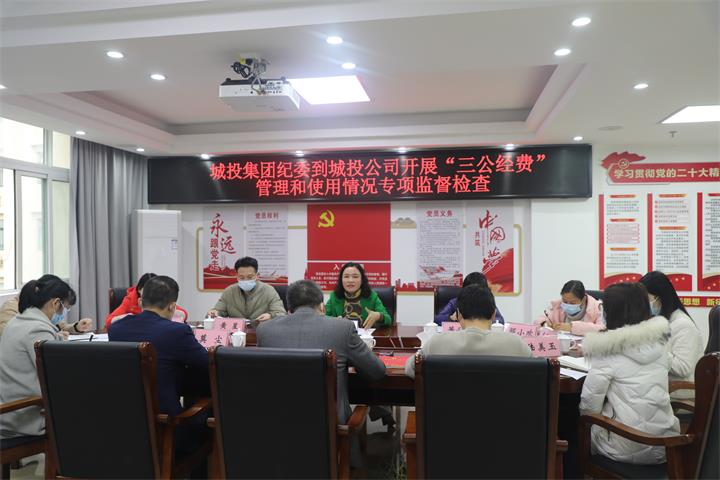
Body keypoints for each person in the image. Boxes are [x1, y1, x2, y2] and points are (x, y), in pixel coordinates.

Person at [257, 280, 386, 455]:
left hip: (278, 424)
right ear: (321, 306)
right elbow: (377, 371)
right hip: (329, 428)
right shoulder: (342, 328)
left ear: (289, 308)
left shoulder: (265, 330)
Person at [580, 282, 679, 464]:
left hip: (624, 445)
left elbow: (589, 406)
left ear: (612, 312)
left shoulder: (608, 349)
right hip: (665, 443)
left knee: (573, 426)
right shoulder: (660, 341)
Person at [0, 276, 77, 440]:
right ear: (55, 303)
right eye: (64, 308)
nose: (63, 314)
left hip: (10, 412)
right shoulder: (37, 329)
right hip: (26, 417)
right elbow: (56, 378)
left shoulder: (18, 321)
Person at [406, 284, 531, 378]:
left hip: (449, 406)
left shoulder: (436, 343)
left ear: (458, 314)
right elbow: (535, 374)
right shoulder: (516, 344)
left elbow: (410, 369)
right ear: (494, 314)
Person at [639, 271, 703, 389]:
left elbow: (683, 368)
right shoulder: (658, 321)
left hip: (679, 390)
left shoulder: (683, 325)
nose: (644, 304)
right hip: (661, 385)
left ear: (660, 297)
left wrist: (654, 351)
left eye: (647, 298)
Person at [0, 275, 92, 338]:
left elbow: (61, 326)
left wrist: (76, 327)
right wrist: (50, 337)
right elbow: (8, 334)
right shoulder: (11, 307)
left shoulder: (43, 309)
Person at [207, 257, 286, 322]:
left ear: (257, 275)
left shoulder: (269, 290)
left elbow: (281, 313)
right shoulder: (229, 291)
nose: (245, 280)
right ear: (237, 276)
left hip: (260, 332)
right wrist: (214, 313)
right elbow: (218, 311)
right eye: (241, 277)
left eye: (250, 277)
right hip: (236, 332)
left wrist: (270, 315)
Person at [104, 273, 188, 330]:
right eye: (147, 290)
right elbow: (109, 322)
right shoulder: (130, 300)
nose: (151, 294)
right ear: (139, 290)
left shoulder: (161, 298)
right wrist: (130, 318)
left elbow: (183, 313)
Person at [324, 262, 391, 328]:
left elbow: (388, 319)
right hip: (342, 334)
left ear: (362, 280)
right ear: (341, 280)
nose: (350, 280)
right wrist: (333, 321)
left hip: (365, 334)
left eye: (355, 277)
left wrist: (378, 316)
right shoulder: (334, 297)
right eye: (346, 276)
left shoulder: (371, 296)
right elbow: (323, 318)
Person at [434, 272, 506, 325]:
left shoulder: (487, 302)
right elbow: (437, 319)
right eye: (470, 290)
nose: (474, 294)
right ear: (464, 290)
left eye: (478, 291)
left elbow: (500, 320)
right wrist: (450, 318)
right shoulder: (455, 302)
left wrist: (483, 320)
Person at [535, 280, 604, 335]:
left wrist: (571, 327)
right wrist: (544, 323)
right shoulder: (557, 306)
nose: (567, 305)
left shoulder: (597, 308)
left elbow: (602, 329)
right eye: (565, 301)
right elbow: (538, 320)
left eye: (572, 302)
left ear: (583, 299)